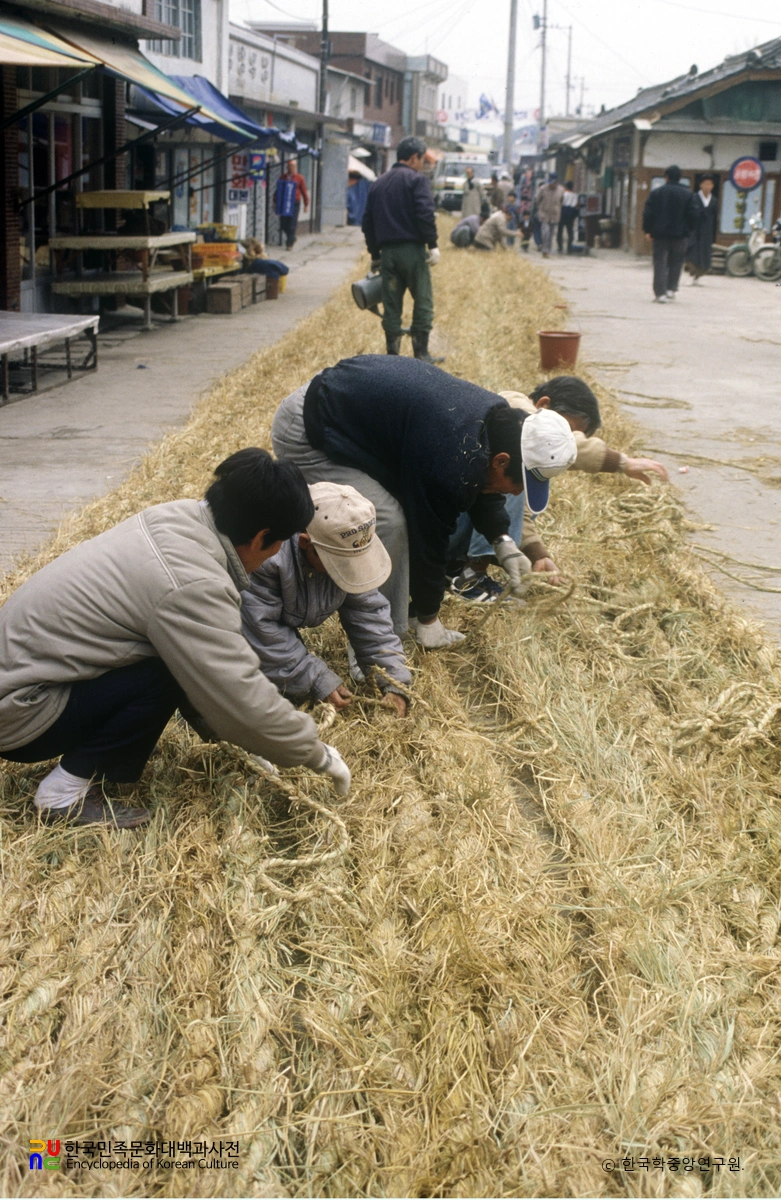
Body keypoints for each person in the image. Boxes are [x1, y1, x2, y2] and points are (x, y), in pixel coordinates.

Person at [0, 450, 353, 827]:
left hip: (20, 683)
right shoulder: (190, 582)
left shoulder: (179, 518)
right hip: (21, 710)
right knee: (166, 669)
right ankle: (62, 795)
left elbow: (212, 689)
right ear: (262, 536)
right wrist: (314, 752)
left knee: (176, 660)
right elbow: (231, 688)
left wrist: (239, 738)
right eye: (279, 542)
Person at [270, 355, 577, 646]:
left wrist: (502, 541)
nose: (517, 494)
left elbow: (480, 484)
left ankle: (400, 613)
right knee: (388, 522)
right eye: (519, 483)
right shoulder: (450, 455)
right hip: (310, 428)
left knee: (401, 517)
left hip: (349, 415)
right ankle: (381, 638)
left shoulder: (498, 424)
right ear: (501, 461)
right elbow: (429, 539)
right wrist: (429, 619)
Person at [447, 377, 670, 601]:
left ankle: (456, 567)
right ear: (544, 406)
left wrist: (536, 554)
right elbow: (572, 449)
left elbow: (513, 508)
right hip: (436, 524)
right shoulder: (515, 410)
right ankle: (472, 577)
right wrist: (622, 463)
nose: (563, 446)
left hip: (451, 526)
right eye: (566, 432)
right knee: (517, 478)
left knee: (523, 484)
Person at [242, 482, 411, 717]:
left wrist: (392, 679)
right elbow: (259, 628)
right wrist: (314, 678)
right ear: (305, 543)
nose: (351, 569)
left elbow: (368, 612)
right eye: (339, 562)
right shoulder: (262, 554)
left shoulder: (346, 536)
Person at [361, 135, 440, 362]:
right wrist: (433, 244)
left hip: (388, 254)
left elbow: (367, 222)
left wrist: (375, 254)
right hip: (413, 251)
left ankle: (392, 357)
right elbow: (425, 214)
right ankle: (421, 354)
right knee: (423, 300)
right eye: (423, 160)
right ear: (414, 158)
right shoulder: (417, 180)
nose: (423, 165)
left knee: (391, 304)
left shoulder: (379, 182)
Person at [642, 165, 698, 303]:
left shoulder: (656, 193)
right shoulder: (688, 194)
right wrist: (688, 230)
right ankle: (671, 289)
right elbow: (694, 215)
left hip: (660, 235)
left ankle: (660, 293)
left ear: (666, 177)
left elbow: (648, 214)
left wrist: (648, 230)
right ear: (680, 178)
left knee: (660, 262)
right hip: (680, 235)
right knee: (677, 262)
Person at [684, 174, 718, 284]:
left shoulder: (714, 200)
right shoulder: (694, 198)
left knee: (704, 254)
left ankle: (698, 277)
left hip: (707, 231)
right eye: (705, 184)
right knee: (693, 253)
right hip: (694, 230)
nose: (708, 186)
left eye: (710, 184)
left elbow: (715, 217)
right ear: (701, 185)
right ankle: (692, 274)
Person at [276, 159, 310, 249]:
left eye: (293, 166)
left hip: (294, 203)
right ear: (287, 167)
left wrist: (306, 204)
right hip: (284, 203)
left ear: (295, 167)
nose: (291, 168)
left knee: (292, 223)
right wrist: (275, 201)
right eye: (289, 166)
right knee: (283, 224)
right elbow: (278, 190)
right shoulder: (283, 177)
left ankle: (289, 244)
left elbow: (304, 191)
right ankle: (292, 237)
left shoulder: (299, 178)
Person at [536, 172, 565, 258]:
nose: (551, 185)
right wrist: (541, 209)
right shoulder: (543, 189)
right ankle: (545, 250)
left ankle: (548, 250)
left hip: (555, 215)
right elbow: (538, 200)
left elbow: (561, 201)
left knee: (551, 234)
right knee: (546, 233)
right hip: (544, 214)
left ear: (556, 182)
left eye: (553, 183)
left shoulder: (561, 190)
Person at [558, 182, 579, 254]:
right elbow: (577, 204)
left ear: (566, 187)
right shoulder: (575, 195)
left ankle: (560, 247)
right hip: (571, 213)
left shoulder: (563, 194)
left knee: (560, 231)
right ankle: (569, 247)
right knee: (570, 231)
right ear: (572, 187)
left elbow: (560, 203)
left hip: (562, 213)